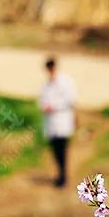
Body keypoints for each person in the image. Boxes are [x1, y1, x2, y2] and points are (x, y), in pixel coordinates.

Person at [39, 57, 77, 187]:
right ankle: (60, 173)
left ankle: (63, 175)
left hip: (62, 120)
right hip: (51, 122)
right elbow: (41, 101)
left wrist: (53, 106)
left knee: (62, 149)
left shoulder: (65, 82)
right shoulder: (45, 85)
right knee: (55, 150)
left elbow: (70, 99)